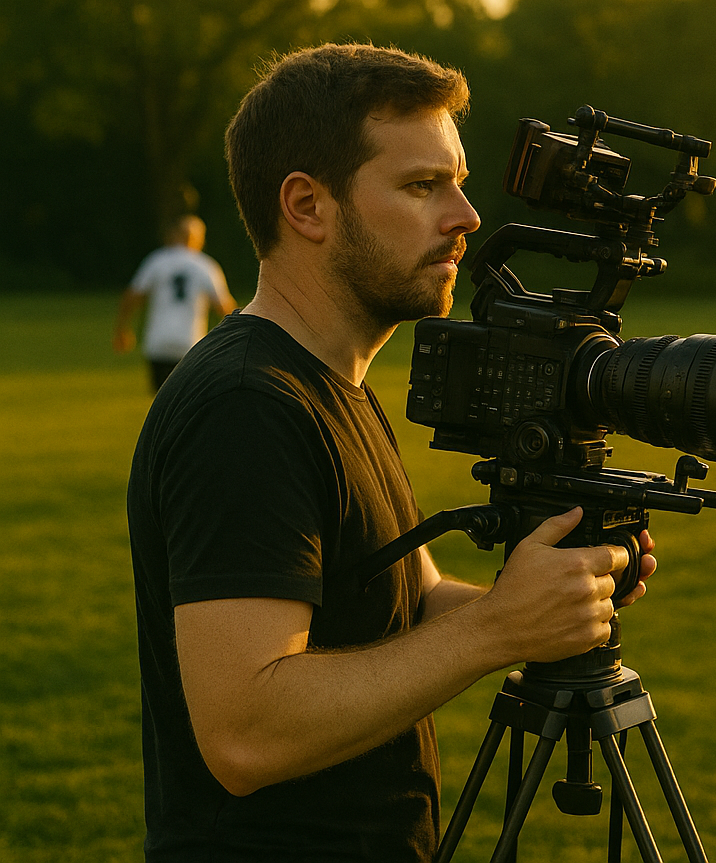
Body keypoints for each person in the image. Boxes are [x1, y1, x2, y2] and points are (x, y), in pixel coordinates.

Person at [127, 44, 656, 861]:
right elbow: (245, 731)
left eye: (458, 180)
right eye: (421, 186)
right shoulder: (246, 407)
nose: (466, 216)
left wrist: (550, 595)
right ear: (308, 206)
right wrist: (496, 629)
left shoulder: (331, 384)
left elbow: (405, 596)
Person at [112, 214, 237, 392]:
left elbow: (132, 296)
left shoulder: (157, 260)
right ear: (196, 237)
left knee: (161, 404)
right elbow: (224, 307)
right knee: (187, 404)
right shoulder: (205, 266)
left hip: (158, 344)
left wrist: (122, 328)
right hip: (190, 345)